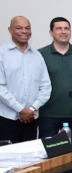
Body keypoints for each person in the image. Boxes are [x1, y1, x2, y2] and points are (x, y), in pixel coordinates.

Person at [0, 16, 52, 144]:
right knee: (8, 160)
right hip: (7, 119)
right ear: (10, 30)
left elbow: (46, 87)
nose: (24, 31)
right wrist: (21, 109)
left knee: (30, 160)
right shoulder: (2, 53)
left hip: (32, 119)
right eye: (19, 28)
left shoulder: (37, 55)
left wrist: (32, 109)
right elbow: (1, 87)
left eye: (27, 28)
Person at [37, 17, 72, 147]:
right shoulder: (41, 54)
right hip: (48, 114)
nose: (63, 31)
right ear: (51, 32)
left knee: (71, 153)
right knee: (48, 154)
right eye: (59, 28)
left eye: (66, 28)